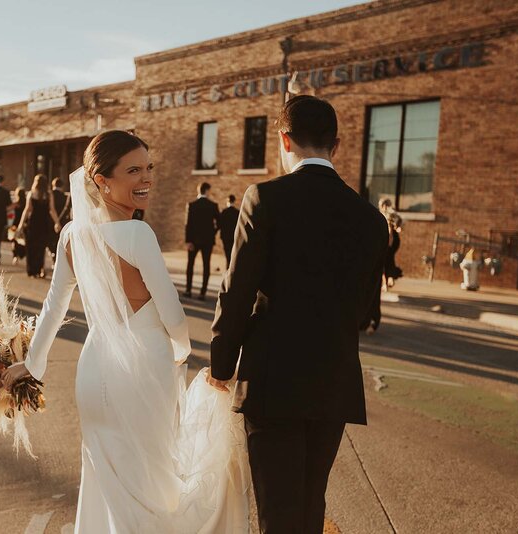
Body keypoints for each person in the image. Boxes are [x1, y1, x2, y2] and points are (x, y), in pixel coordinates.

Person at [0, 130, 250, 532]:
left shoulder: (71, 236)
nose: (145, 178)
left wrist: (33, 364)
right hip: (144, 370)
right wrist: (181, 353)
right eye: (133, 170)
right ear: (101, 180)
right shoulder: (137, 234)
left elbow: (53, 306)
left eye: (148, 168)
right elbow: (174, 317)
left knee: (104, 481)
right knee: (151, 482)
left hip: (94, 371)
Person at [207, 96, 389, 533]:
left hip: (274, 382)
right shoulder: (370, 218)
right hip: (334, 380)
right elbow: (364, 308)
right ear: (337, 145)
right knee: (309, 505)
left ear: (284, 139)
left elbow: (238, 289)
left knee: (277, 512)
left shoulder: (265, 198)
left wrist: (222, 362)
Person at [15, 174, 59, 278]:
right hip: (44, 224)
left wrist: (20, 225)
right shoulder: (49, 194)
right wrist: (57, 222)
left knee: (31, 247)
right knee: (41, 248)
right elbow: (52, 210)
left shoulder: (31, 194)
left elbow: (27, 210)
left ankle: (32, 271)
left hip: (33, 223)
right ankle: (39, 269)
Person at [184, 182, 220, 300]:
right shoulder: (213, 205)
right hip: (208, 241)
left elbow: (188, 225)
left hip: (193, 241)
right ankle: (202, 293)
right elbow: (219, 223)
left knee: (190, 265)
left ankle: (188, 290)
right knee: (206, 265)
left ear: (198, 190)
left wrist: (188, 241)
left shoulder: (192, 205)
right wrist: (212, 233)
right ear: (207, 190)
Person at [379, 198, 404, 288]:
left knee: (384, 261)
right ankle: (390, 279)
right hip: (395, 241)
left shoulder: (387, 214)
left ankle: (386, 282)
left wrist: (388, 242)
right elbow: (400, 226)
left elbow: (390, 230)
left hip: (390, 240)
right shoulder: (393, 214)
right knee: (389, 260)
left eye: (381, 205)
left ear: (384, 205)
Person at [49, 177, 72, 255]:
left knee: (51, 239)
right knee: (59, 239)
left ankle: (52, 253)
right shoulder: (65, 197)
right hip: (62, 221)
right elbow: (67, 210)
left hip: (50, 220)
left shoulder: (49, 195)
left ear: (53, 185)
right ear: (62, 186)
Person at [219, 194, 239, 269]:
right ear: (234, 201)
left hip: (225, 237)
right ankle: (232, 269)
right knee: (234, 254)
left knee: (227, 254)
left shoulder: (224, 212)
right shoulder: (237, 212)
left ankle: (228, 269)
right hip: (234, 236)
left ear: (227, 201)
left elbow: (220, 224)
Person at [10, 187, 28, 265]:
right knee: (25, 241)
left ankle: (15, 256)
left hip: (15, 224)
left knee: (14, 241)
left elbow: (8, 209)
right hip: (25, 223)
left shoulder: (16, 204)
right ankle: (25, 255)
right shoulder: (27, 203)